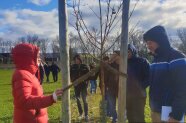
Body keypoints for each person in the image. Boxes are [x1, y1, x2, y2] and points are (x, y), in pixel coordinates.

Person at [11, 43, 63, 123]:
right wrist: (51, 98)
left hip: (35, 118)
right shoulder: (21, 74)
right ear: (27, 58)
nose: (39, 59)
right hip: (29, 120)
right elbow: (25, 101)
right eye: (37, 56)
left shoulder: (29, 74)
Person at [143, 25, 185, 122]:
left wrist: (176, 115)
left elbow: (182, 89)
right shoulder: (154, 60)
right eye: (146, 43)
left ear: (160, 40)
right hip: (155, 110)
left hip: (170, 114)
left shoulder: (176, 57)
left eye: (150, 43)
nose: (148, 46)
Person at [126, 44, 150, 123]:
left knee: (139, 117)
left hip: (139, 96)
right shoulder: (123, 63)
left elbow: (149, 77)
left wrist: (139, 87)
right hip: (127, 95)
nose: (126, 53)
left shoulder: (142, 61)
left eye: (128, 51)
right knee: (130, 116)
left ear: (133, 51)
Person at [70, 54, 90, 121]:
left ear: (80, 59)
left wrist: (87, 84)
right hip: (76, 86)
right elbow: (70, 75)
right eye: (75, 59)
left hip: (84, 85)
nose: (76, 61)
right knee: (77, 99)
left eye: (77, 59)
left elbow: (88, 76)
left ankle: (86, 114)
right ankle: (81, 113)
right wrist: (73, 82)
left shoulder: (85, 66)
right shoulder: (72, 67)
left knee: (84, 100)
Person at [107, 51, 120, 123]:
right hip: (111, 88)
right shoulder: (110, 65)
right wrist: (109, 62)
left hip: (121, 88)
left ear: (119, 56)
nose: (113, 56)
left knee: (122, 104)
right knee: (112, 105)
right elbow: (105, 75)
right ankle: (114, 118)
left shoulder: (124, 65)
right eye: (112, 55)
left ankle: (121, 118)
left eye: (115, 55)